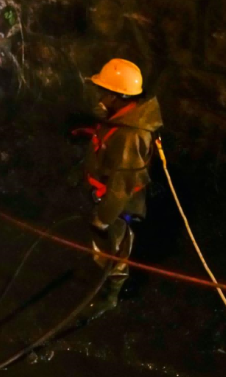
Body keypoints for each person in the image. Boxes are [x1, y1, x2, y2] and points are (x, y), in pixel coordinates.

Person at [78, 58, 163, 320]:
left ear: (119, 96)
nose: (101, 96)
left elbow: (121, 186)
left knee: (115, 247)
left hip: (116, 203)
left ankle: (110, 295)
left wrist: (103, 218)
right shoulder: (127, 116)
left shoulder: (131, 136)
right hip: (104, 194)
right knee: (107, 245)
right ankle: (106, 278)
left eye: (106, 92)